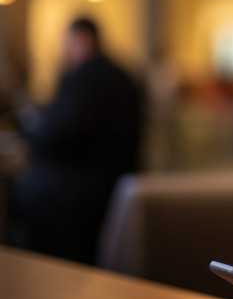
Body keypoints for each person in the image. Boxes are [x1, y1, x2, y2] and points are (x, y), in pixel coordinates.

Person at [12, 17, 142, 264]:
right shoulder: (125, 77)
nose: (65, 52)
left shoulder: (82, 78)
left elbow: (54, 136)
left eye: (67, 44)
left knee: (23, 191)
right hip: (119, 187)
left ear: (82, 39)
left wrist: (30, 130)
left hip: (80, 195)